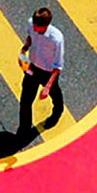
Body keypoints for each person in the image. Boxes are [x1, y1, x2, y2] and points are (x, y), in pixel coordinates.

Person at [17, 7, 64, 139]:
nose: (35, 29)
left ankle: (57, 113)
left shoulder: (57, 39)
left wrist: (47, 86)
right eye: (34, 26)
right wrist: (24, 49)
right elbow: (30, 38)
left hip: (48, 72)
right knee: (25, 100)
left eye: (38, 28)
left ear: (46, 25)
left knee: (55, 95)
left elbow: (58, 66)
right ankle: (24, 128)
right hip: (32, 68)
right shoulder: (31, 24)